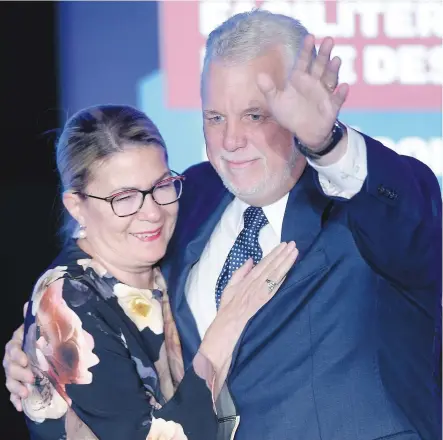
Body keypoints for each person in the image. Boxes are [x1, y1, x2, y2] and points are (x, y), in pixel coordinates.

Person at [4, 9, 442, 440]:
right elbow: (115, 303)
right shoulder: (186, 196)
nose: (231, 141)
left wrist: (327, 143)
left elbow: (415, 226)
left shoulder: (360, 204)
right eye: (215, 117)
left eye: (255, 115)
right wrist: (44, 349)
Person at [4, 104, 298, 440]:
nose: (152, 213)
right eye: (124, 198)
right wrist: (229, 324)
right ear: (76, 205)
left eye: (161, 186)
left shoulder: (160, 260)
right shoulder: (67, 301)